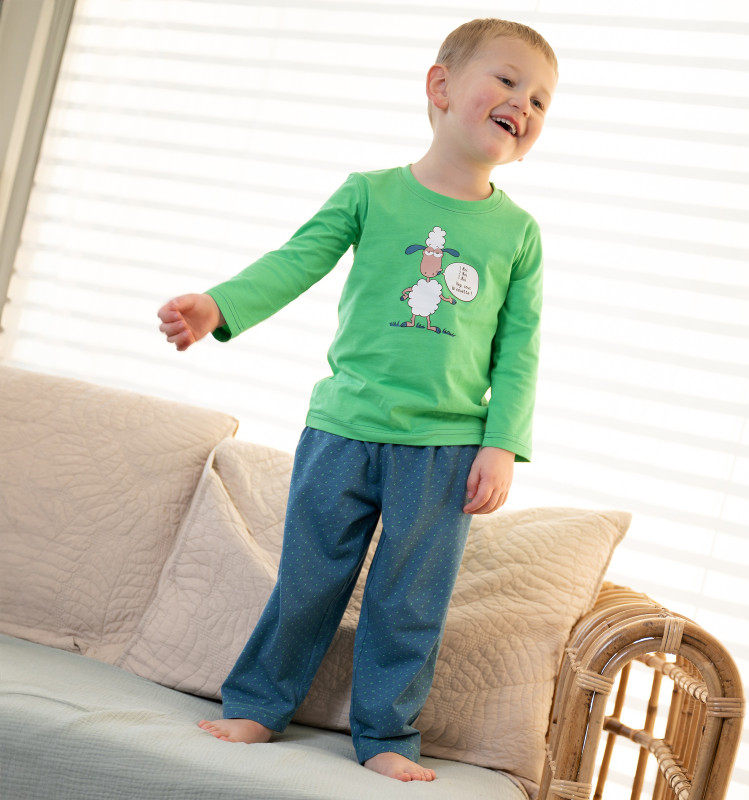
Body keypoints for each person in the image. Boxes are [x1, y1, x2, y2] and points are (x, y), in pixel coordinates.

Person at [157, 17, 558, 783]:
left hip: (443, 452)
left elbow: (520, 350)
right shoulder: (370, 194)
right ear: (441, 87)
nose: (524, 104)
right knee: (307, 583)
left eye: (541, 99)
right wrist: (217, 306)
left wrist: (501, 443)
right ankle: (257, 705)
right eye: (507, 80)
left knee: (409, 604)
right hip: (342, 430)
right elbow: (296, 261)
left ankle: (385, 736)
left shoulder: (518, 234)